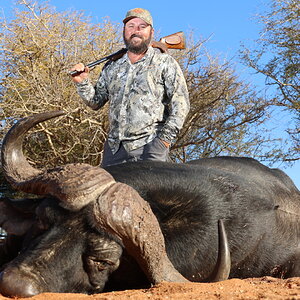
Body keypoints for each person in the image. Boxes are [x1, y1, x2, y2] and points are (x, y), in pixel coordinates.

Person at [71, 7, 190, 167]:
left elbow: (181, 106)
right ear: (124, 30)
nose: (136, 31)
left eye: (142, 27)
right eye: (131, 26)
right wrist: (82, 82)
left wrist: (163, 142)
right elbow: (95, 102)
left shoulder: (165, 62)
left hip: (150, 147)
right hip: (113, 151)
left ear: (152, 32)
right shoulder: (112, 66)